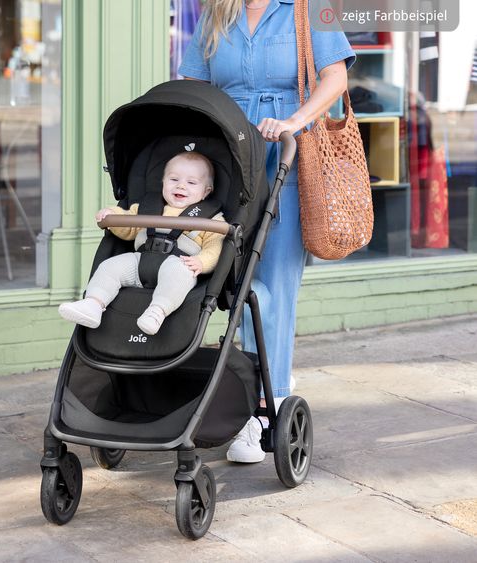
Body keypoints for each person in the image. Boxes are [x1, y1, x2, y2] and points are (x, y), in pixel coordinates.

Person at [178, 0, 356, 463]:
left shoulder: (310, 8)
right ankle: (239, 384)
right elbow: (194, 84)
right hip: (227, 164)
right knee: (222, 281)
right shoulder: (216, 14)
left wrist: (297, 121)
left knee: (269, 287)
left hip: (288, 161)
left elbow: (335, 77)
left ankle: (262, 408)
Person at [58, 150, 225, 335]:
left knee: (181, 275)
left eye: (191, 182)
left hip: (178, 264)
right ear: (163, 182)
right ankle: (93, 304)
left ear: (206, 191)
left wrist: (202, 262)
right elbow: (128, 226)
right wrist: (113, 215)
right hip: (140, 260)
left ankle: (156, 312)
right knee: (109, 267)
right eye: (173, 180)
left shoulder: (212, 218)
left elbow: (216, 246)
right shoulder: (148, 207)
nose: (181, 186)